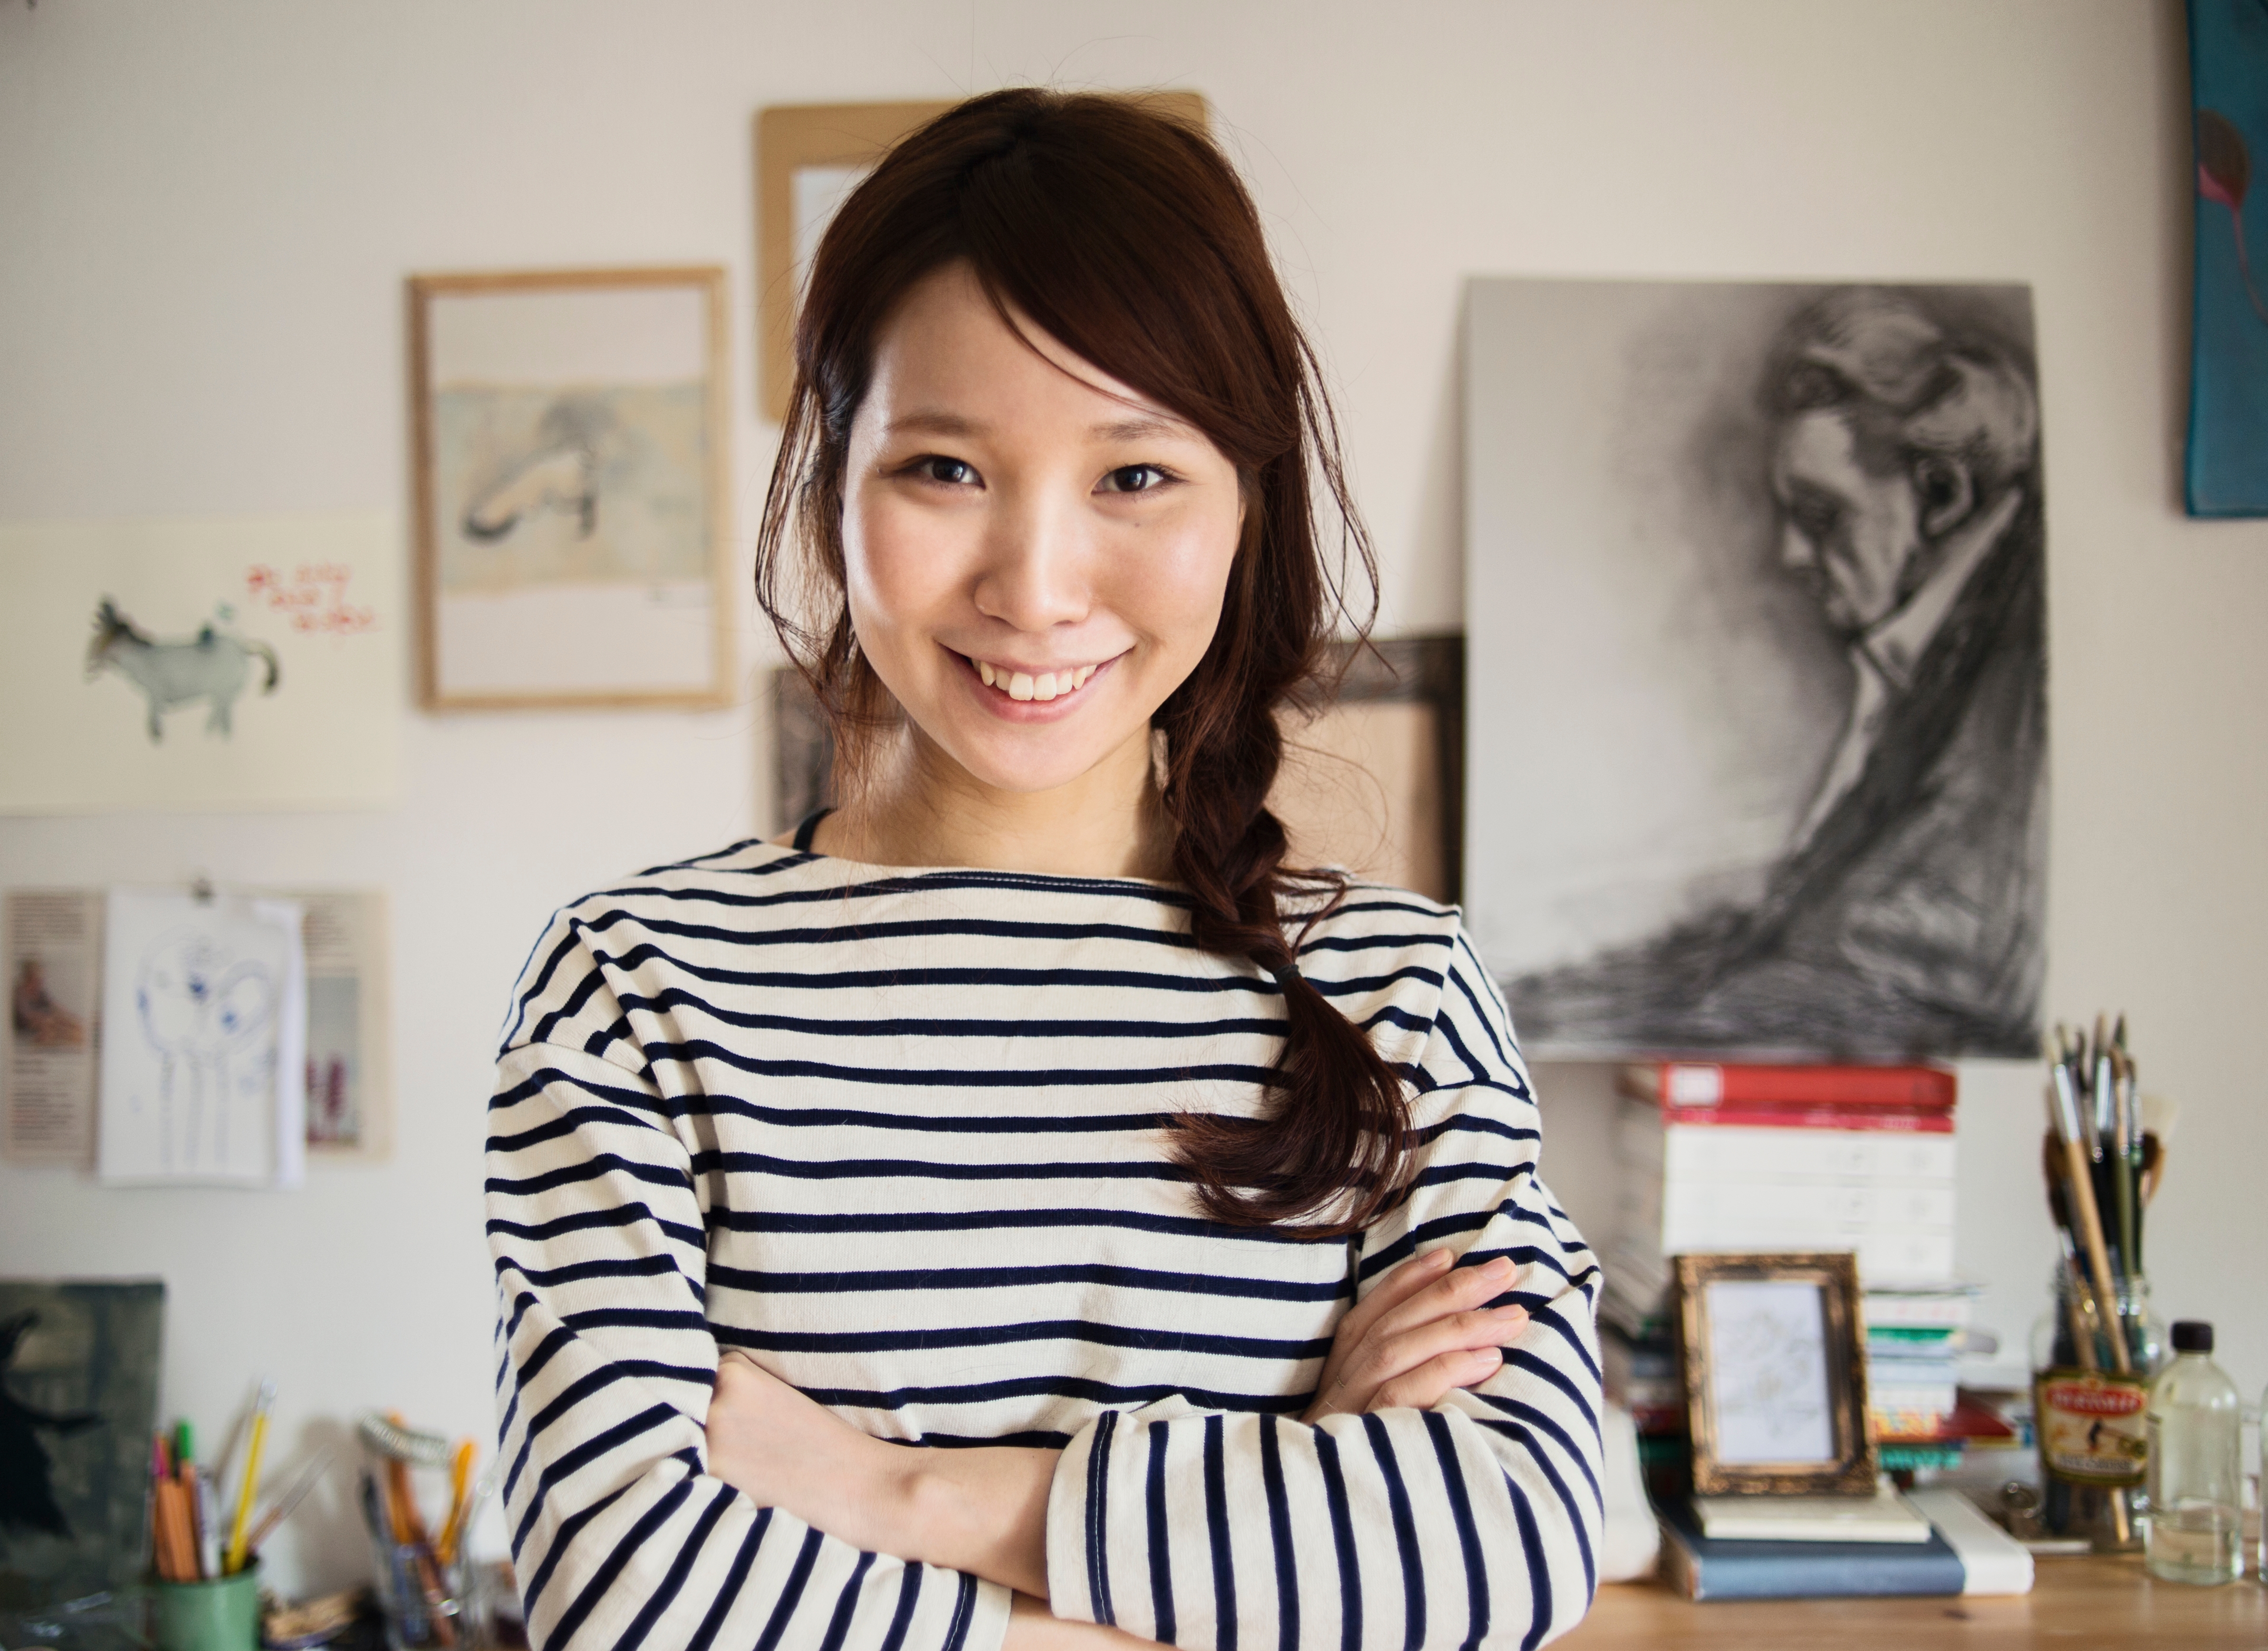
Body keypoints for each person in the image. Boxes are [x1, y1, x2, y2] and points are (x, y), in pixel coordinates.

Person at [487, 90, 1603, 1651]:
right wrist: (1273, 1544)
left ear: (1242, 510)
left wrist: (893, 1494)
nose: (1036, 584)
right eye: (944, 467)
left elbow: (1517, 1543)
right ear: (831, 483)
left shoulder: (1398, 993)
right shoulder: (636, 989)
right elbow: (629, 1600)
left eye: (1135, 477)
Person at [1507, 288, 2046, 1058]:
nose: (1793, 557)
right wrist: (1520, 999)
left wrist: (1533, 1014)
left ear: (1942, 496)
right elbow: (1781, 933)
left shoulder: (2012, 682)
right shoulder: (1919, 654)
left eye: (1823, 517)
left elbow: (1879, 963)